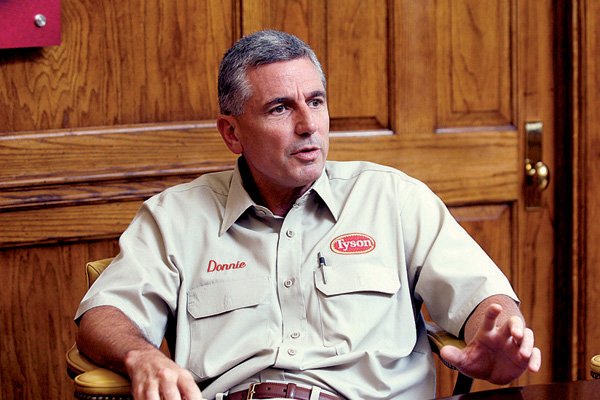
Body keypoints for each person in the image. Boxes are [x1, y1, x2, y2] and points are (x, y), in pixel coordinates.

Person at [75, 30, 541, 400]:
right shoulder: (175, 216)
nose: (308, 125)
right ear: (232, 133)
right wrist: (141, 356)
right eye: (281, 108)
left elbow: (484, 298)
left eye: (316, 101)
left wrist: (499, 336)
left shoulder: (392, 198)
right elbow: (103, 314)